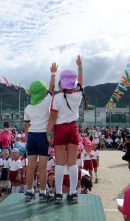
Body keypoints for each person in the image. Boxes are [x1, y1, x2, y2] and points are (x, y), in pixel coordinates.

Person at [47, 55, 87, 204]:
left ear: (61, 84)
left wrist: (48, 132)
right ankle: (73, 193)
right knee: (72, 163)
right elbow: (81, 83)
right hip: (73, 128)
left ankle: (58, 194)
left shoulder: (56, 98)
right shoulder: (77, 95)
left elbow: (52, 117)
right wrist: (80, 66)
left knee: (59, 163)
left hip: (60, 129)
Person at [24, 62, 56, 203]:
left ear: (31, 92)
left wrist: (26, 141)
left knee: (30, 167)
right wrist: (53, 73)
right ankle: (43, 193)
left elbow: (26, 127)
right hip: (43, 137)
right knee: (43, 168)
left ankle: (29, 192)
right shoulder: (46, 102)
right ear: (43, 92)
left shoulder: (27, 108)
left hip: (31, 137)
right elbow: (52, 88)